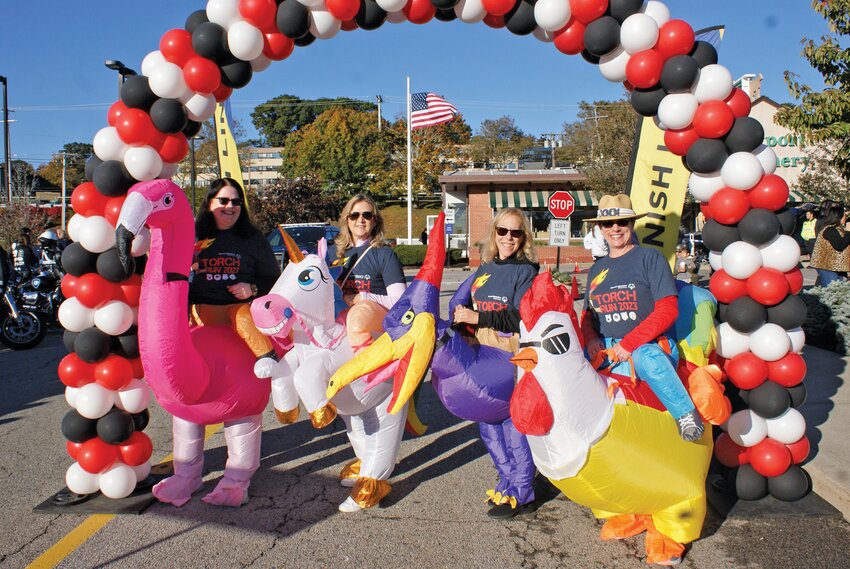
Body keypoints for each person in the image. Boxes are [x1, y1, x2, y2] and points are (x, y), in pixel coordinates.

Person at [581, 194, 704, 442]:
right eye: (608, 224)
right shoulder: (596, 268)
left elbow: (668, 309)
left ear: (632, 224)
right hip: (608, 349)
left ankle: (686, 414)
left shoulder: (650, 258)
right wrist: (592, 339)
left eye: (622, 222)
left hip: (650, 348)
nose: (615, 229)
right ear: (600, 229)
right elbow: (587, 314)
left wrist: (629, 344)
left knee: (645, 356)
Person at [452, 207, 539, 519]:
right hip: (482, 347)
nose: (508, 238)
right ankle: (506, 481)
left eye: (516, 232)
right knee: (487, 422)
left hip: (510, 348)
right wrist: (461, 321)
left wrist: (479, 317)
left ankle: (523, 490)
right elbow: (461, 303)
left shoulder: (526, 271)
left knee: (513, 423)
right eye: (503, 231)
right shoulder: (484, 268)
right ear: (494, 234)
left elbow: (520, 315)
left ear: (524, 237)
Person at [189, 178, 281, 374]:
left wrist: (252, 288)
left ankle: (269, 357)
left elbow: (274, 278)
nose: (230, 206)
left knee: (240, 314)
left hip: (240, 311)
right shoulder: (193, 235)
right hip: (202, 310)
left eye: (236, 201)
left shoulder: (253, 238)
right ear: (210, 202)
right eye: (223, 201)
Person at [334, 194, 407, 351]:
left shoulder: (384, 254)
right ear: (347, 220)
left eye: (367, 215)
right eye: (354, 215)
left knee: (359, 315)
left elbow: (401, 302)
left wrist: (364, 297)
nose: (360, 220)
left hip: (370, 337)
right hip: (336, 334)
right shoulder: (334, 253)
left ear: (374, 221)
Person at [809, 202, 850, 287]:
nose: (846, 218)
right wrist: (848, 232)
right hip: (827, 266)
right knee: (831, 291)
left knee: (839, 291)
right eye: (844, 216)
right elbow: (839, 245)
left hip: (837, 266)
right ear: (838, 217)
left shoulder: (838, 229)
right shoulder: (829, 230)